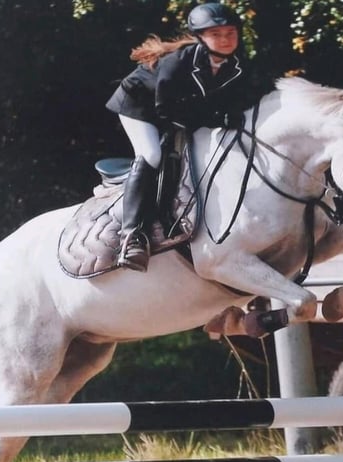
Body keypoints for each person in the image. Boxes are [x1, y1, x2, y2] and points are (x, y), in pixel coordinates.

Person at [106, 2, 263, 272]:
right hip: (140, 107)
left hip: (179, 111)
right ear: (201, 37)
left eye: (230, 33)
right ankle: (130, 235)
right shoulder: (177, 63)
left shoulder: (236, 66)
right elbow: (165, 110)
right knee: (152, 155)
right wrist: (215, 119)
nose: (225, 40)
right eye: (217, 34)